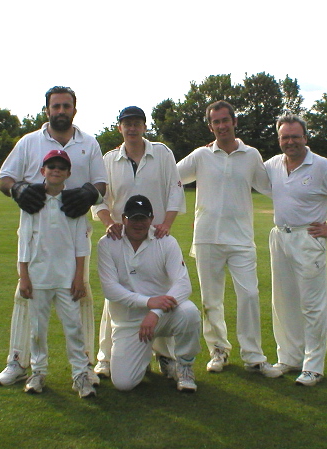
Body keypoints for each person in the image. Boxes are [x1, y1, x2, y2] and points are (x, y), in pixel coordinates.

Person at [0, 86, 107, 387]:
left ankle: (83, 368)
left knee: (79, 295)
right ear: (47, 110)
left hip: (73, 231)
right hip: (36, 230)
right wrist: (17, 189)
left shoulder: (89, 143)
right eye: (55, 106)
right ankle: (18, 362)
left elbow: (101, 184)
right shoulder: (29, 141)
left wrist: (88, 192)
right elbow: (4, 178)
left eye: (66, 106)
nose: (60, 111)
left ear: (74, 109)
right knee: (25, 296)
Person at [177, 100, 281, 378]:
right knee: (211, 300)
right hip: (207, 237)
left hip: (241, 239)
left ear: (234, 122)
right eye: (216, 122)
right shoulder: (201, 155)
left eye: (226, 120)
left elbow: (270, 187)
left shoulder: (251, 155)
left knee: (249, 295)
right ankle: (218, 350)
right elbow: (170, 176)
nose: (221, 126)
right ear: (210, 126)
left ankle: (254, 356)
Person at [264, 113, 327, 386]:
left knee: (312, 305)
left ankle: (313, 366)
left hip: (308, 239)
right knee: (283, 302)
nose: (290, 142)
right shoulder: (272, 165)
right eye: (285, 137)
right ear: (279, 139)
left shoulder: (321, 166)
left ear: (305, 138)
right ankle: (288, 358)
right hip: (280, 237)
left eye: (295, 136)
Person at [91, 106, 185, 379]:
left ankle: (165, 356)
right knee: (116, 296)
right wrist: (110, 224)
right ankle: (106, 357)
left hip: (155, 236)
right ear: (120, 127)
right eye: (126, 124)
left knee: (161, 289)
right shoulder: (109, 159)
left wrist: (166, 224)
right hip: (120, 238)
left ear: (144, 126)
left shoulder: (162, 153)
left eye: (137, 123)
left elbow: (174, 191)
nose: (132, 128)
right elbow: (100, 200)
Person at [97, 195, 201, 392]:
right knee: (124, 384)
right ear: (123, 218)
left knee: (190, 313)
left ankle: (185, 366)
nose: (138, 223)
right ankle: (143, 355)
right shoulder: (108, 243)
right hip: (129, 320)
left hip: (162, 314)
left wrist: (155, 312)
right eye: (133, 218)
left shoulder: (166, 242)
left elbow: (183, 285)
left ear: (151, 219)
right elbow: (110, 289)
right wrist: (147, 303)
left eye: (143, 218)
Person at [18, 149, 96, 397]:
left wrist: (79, 277)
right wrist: (24, 276)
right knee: (38, 329)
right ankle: (38, 372)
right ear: (43, 171)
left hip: (66, 278)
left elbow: (80, 244)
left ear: (68, 174)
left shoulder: (74, 203)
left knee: (73, 328)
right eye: (51, 166)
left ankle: (80, 375)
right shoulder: (31, 201)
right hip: (38, 276)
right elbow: (24, 241)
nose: (55, 170)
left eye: (61, 167)